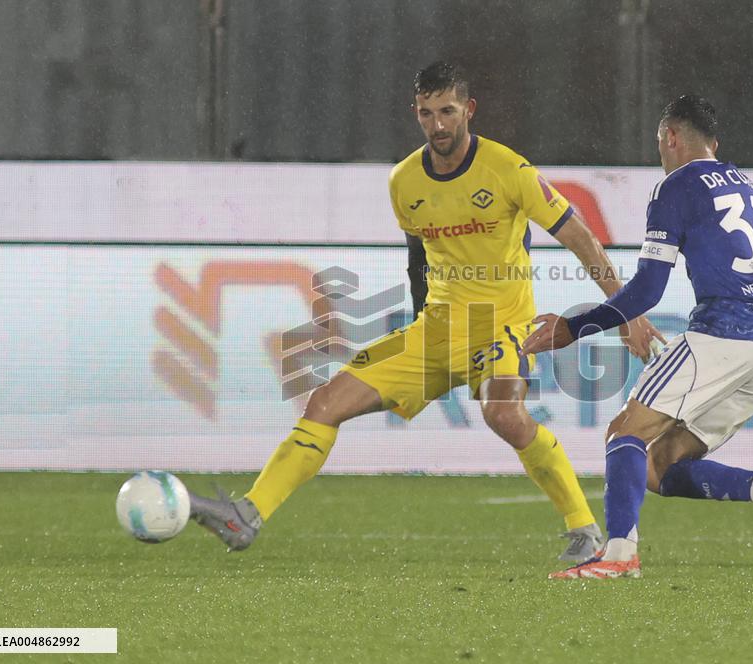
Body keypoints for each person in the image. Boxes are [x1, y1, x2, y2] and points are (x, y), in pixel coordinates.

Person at [188, 61, 664, 562]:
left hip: (500, 326)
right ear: (415, 114)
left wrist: (624, 312)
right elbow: (418, 255)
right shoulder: (404, 182)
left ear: (469, 110)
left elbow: (578, 236)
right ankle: (247, 516)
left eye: (447, 111)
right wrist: (421, 320)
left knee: (504, 414)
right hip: (435, 330)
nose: (437, 124)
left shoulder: (509, 170)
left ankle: (583, 528)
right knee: (325, 404)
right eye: (426, 113)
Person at [522, 94, 753, 579]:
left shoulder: (676, 187)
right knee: (657, 465)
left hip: (720, 337)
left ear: (670, 136)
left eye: (659, 143)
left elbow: (648, 288)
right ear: (715, 143)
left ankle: (620, 556)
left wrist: (573, 328)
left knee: (625, 432)